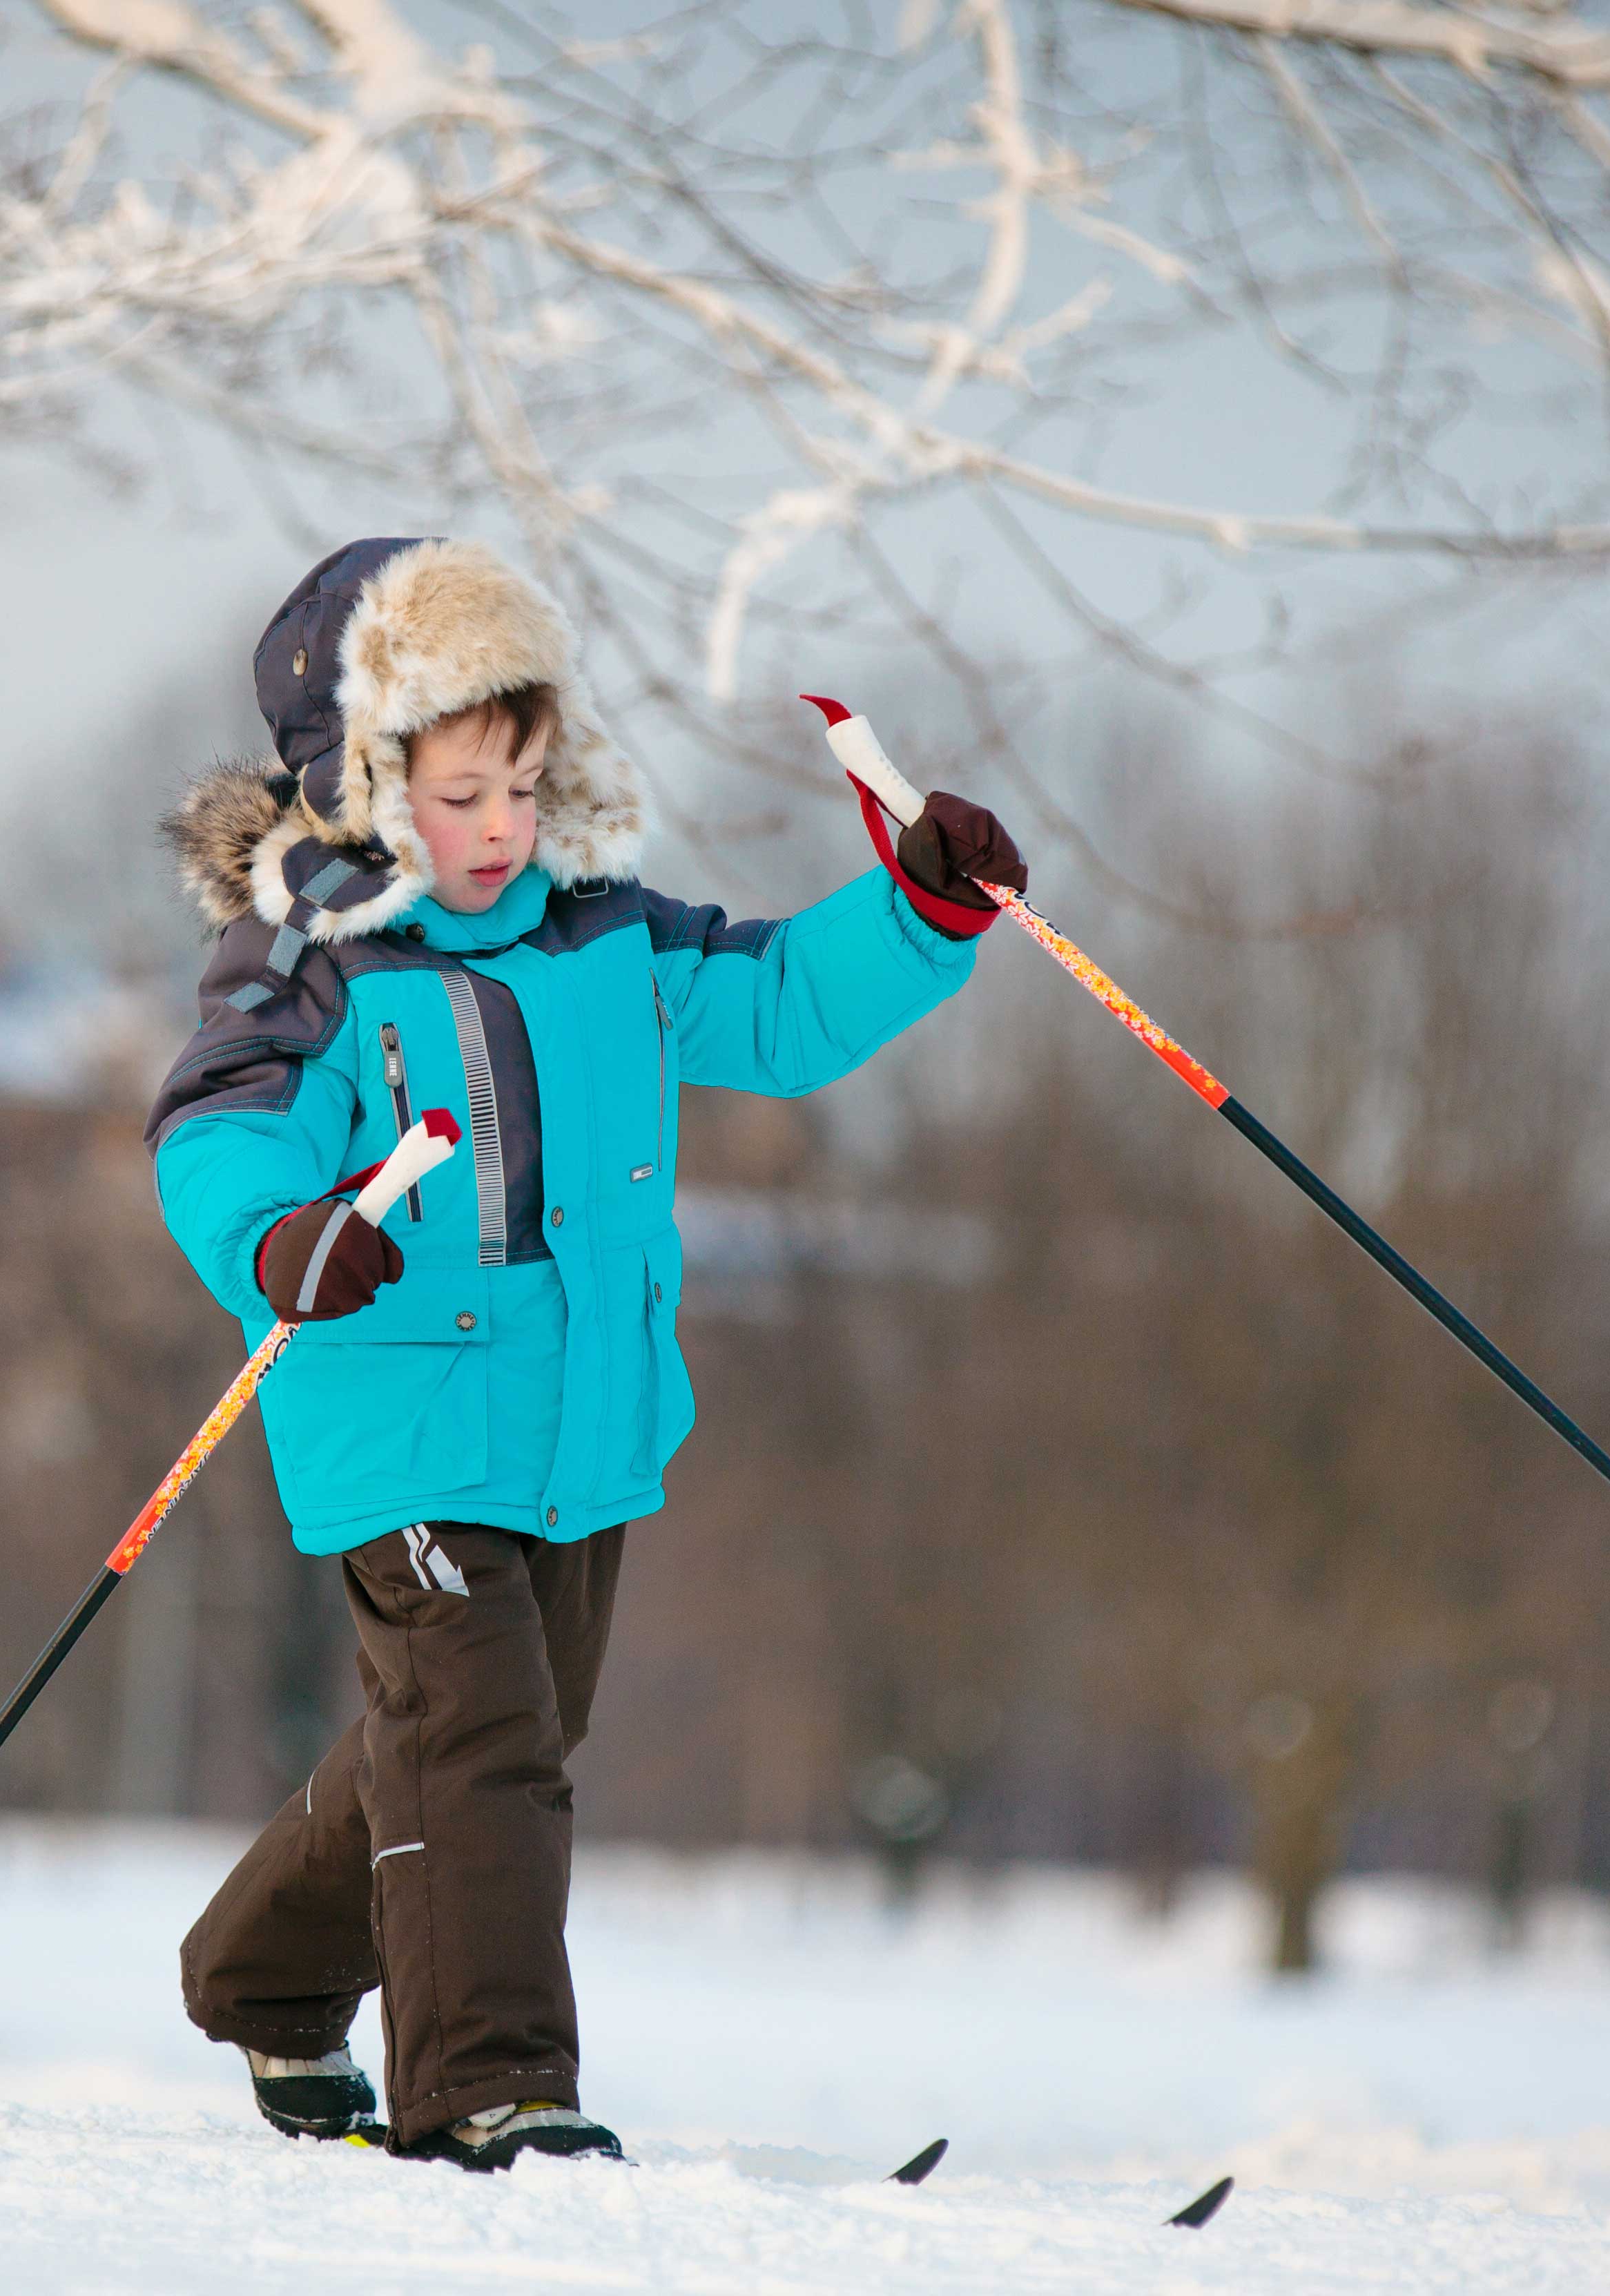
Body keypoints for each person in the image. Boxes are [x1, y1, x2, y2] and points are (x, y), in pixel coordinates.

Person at [146, 537, 1025, 2172]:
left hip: (586, 1426)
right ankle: (489, 2087)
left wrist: (917, 912)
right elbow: (219, 1127)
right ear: (366, 775)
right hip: (401, 1409)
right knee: (480, 1749)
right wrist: (281, 1237)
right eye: (463, 792)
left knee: (485, 1734)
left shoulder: (604, 933)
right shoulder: (313, 956)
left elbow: (771, 1007)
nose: (501, 830)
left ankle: (265, 1975)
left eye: (526, 788)